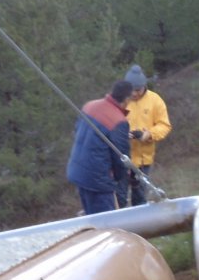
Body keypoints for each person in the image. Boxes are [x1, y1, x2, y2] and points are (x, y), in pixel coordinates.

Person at [66, 80, 133, 215]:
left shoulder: (89, 106)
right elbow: (121, 157)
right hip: (98, 180)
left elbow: (77, 131)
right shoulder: (118, 121)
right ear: (127, 99)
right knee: (106, 222)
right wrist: (119, 178)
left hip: (78, 171)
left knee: (91, 216)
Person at [122, 64, 171, 206]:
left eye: (137, 90)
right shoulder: (120, 100)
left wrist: (149, 134)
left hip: (144, 160)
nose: (134, 93)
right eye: (131, 90)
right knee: (120, 197)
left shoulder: (155, 100)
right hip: (122, 157)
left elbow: (164, 125)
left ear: (144, 86)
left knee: (140, 198)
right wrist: (122, 134)